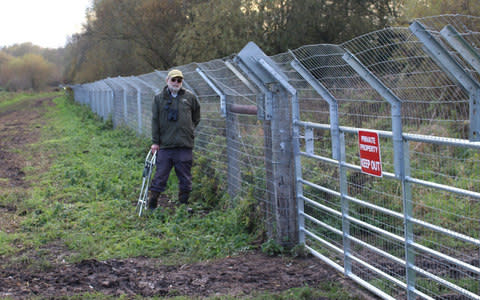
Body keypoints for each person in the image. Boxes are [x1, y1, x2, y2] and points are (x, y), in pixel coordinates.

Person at [148, 69, 201, 210]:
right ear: (167, 80)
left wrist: (188, 130)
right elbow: (155, 121)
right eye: (173, 80)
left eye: (179, 80)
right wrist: (155, 142)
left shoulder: (190, 98)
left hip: (184, 145)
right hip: (165, 145)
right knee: (160, 175)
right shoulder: (159, 99)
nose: (176, 83)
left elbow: (196, 116)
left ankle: (183, 205)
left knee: (185, 177)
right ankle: (153, 202)